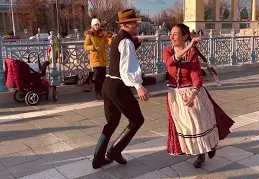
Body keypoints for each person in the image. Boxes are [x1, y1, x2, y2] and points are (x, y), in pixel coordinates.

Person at [163, 24, 234, 168]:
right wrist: (189, 47)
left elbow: (196, 76)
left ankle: (205, 151)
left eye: (175, 34)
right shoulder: (168, 51)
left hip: (192, 92)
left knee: (199, 124)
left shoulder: (192, 54)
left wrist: (194, 94)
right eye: (171, 34)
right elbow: (170, 62)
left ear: (184, 36)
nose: (171, 37)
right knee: (187, 127)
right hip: (175, 95)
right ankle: (199, 151)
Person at [91, 9, 150, 169]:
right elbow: (126, 68)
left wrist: (134, 44)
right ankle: (114, 151)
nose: (136, 25)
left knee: (112, 122)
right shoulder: (126, 41)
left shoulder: (119, 38)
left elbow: (120, 60)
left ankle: (98, 159)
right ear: (125, 24)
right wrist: (139, 86)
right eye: (133, 23)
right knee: (137, 119)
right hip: (117, 86)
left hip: (108, 85)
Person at [84, 18, 112, 100]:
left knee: (103, 76)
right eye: (95, 25)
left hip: (103, 58)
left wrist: (111, 38)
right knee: (97, 76)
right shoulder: (89, 35)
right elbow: (86, 46)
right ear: (92, 26)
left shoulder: (102, 34)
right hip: (95, 58)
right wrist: (93, 47)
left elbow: (109, 43)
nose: (97, 26)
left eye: (98, 24)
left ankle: (103, 92)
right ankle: (97, 92)